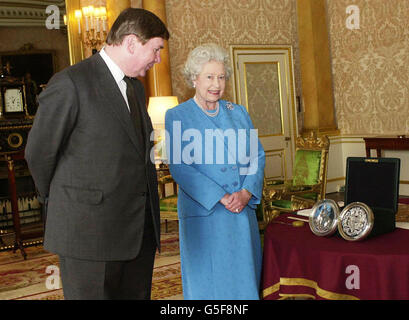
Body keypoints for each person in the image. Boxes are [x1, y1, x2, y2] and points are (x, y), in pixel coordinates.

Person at [25, 8, 169, 300]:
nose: (158, 59)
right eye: (155, 49)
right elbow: (39, 153)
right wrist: (58, 200)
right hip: (88, 233)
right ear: (131, 43)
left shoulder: (136, 89)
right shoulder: (70, 83)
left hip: (138, 232)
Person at [165, 43, 265, 300]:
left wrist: (245, 193)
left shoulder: (239, 113)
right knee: (208, 285)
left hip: (240, 213)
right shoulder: (178, 115)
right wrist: (221, 196)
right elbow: (180, 167)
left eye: (221, 77)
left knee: (243, 283)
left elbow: (257, 156)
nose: (216, 84)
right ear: (194, 79)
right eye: (209, 76)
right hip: (205, 214)